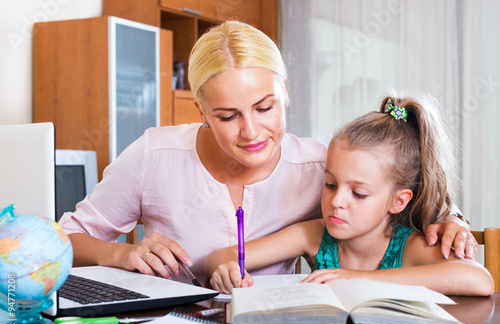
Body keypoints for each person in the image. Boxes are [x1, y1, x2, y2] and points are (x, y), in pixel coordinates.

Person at [59, 21, 476, 286]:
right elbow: (65, 240)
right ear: (201, 111)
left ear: (286, 95)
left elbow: (402, 189)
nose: (252, 132)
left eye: (264, 108)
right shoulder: (154, 154)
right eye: (227, 116)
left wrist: (451, 219)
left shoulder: (320, 168)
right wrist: (121, 252)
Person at [204, 94, 494, 296]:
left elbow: (478, 279)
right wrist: (225, 269)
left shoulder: (408, 246)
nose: (337, 201)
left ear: (398, 201)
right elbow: (219, 257)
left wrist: (359, 279)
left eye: (358, 193)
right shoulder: (315, 236)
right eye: (330, 184)